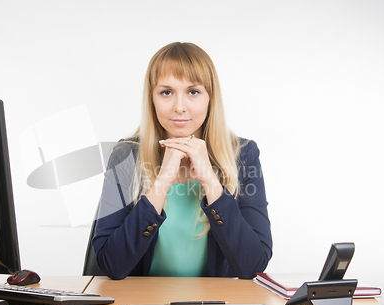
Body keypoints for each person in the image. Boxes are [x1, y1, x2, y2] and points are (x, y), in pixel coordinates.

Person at [92, 42, 272, 280]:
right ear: (152, 99)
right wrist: (162, 180)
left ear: (210, 98)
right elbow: (110, 264)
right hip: (139, 304)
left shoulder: (243, 154)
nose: (179, 107)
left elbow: (253, 265)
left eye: (193, 92)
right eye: (166, 92)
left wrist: (210, 180)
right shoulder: (126, 155)